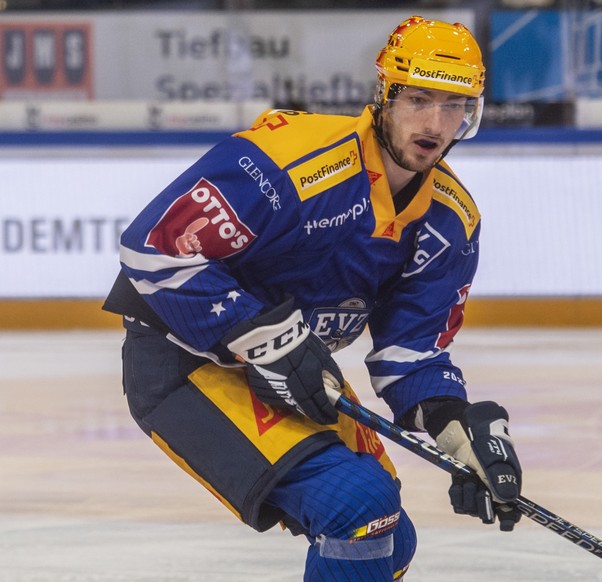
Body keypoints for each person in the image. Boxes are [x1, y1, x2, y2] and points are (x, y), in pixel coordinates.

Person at [103, 15, 523, 581]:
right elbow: (155, 249)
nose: (435, 123)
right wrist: (260, 334)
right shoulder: (291, 160)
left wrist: (457, 427)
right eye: (419, 99)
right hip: (185, 360)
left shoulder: (450, 219)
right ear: (384, 96)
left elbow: (410, 356)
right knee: (359, 509)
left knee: (389, 538)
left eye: (454, 106)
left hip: (286, 367)